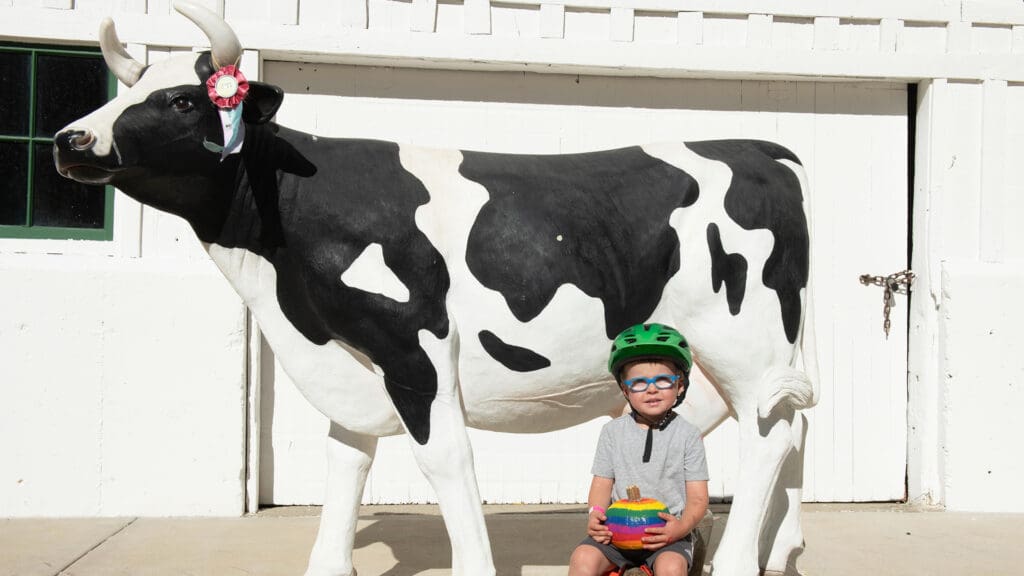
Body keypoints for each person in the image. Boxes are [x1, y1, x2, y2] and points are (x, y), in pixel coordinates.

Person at [568, 323, 710, 576]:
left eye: (663, 380)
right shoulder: (612, 432)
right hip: (616, 534)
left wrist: (681, 528)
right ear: (625, 390)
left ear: (680, 386)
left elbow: (698, 498)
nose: (652, 389)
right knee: (583, 558)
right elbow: (601, 484)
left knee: (672, 567)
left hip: (667, 536)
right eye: (639, 383)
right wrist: (595, 515)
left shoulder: (688, 435)